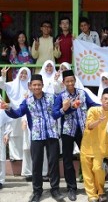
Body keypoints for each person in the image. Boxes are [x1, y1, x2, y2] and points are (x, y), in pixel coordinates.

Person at [1, 74, 63, 202]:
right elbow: (18, 113)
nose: (37, 87)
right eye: (34, 85)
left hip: (52, 134)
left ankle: (55, 190)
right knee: (36, 165)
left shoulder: (52, 98)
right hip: (36, 136)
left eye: (39, 85)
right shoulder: (27, 101)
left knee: (53, 164)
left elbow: (59, 109)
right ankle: (37, 191)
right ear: (30, 86)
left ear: (43, 85)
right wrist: (8, 107)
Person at [52, 69, 99, 201]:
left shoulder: (83, 93)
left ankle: (90, 186)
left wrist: (105, 106)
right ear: (63, 82)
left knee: (87, 158)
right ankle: (71, 188)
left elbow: (93, 105)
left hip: (83, 130)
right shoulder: (60, 97)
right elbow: (55, 114)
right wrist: (65, 108)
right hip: (67, 131)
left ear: (75, 80)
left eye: (72, 80)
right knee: (67, 160)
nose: (70, 83)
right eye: (67, 81)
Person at [80, 88, 108, 202]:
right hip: (87, 146)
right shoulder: (93, 110)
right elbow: (89, 125)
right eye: (105, 99)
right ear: (101, 99)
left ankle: (100, 191)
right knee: (87, 171)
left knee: (98, 168)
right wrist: (99, 121)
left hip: (100, 148)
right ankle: (92, 195)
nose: (107, 101)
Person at [0, 67, 31, 162]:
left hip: (25, 112)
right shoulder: (13, 84)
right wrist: (3, 76)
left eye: (26, 73)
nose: (23, 75)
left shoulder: (30, 86)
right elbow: (2, 85)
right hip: (13, 111)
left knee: (24, 135)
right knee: (13, 134)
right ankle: (14, 156)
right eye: (22, 73)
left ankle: (24, 157)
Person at [0, 108, 12, 190]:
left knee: (1, 157)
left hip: (1, 131)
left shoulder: (3, 95)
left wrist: (7, 133)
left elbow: (8, 116)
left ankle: (0, 181)